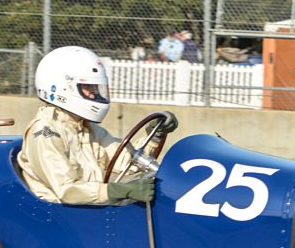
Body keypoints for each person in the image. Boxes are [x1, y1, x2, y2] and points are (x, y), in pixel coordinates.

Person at [18, 46, 178, 205]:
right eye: (88, 87)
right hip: (62, 218)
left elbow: (127, 161)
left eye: (96, 87)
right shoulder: (45, 132)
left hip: (90, 212)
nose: (94, 93)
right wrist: (117, 191)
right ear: (61, 88)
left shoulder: (85, 128)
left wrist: (154, 136)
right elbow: (66, 190)